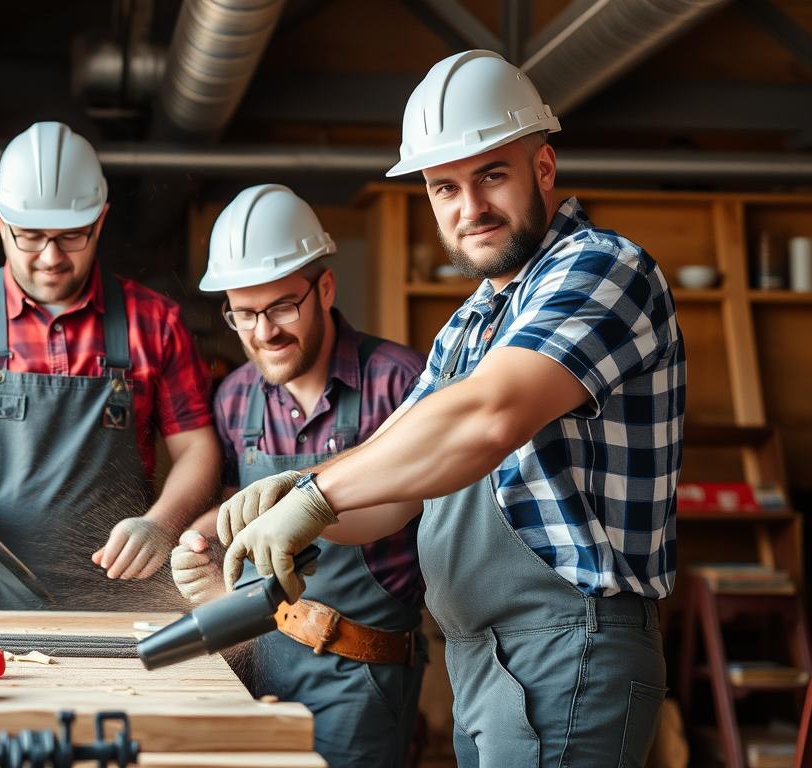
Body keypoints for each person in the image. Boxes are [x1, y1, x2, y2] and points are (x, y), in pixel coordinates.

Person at [217, 50, 685, 766]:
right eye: (444, 188)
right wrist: (281, 504)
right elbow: (395, 485)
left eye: (491, 175)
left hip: (569, 647)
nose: (470, 209)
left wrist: (314, 495)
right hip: (481, 657)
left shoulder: (600, 267)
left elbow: (488, 417)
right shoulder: (474, 319)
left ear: (544, 169)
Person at [0, 121, 221, 610]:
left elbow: (198, 448)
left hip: (112, 601)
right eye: (30, 236)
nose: (51, 258)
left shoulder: (155, 323)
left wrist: (162, 523)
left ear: (101, 220)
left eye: (72, 236)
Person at [170, 184, 427, 768]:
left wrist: (312, 505)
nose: (263, 332)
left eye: (282, 306)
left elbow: (417, 506)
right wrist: (199, 542)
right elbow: (240, 506)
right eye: (244, 314)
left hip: (362, 673)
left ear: (325, 288)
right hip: (256, 661)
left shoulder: (401, 383)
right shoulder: (234, 397)